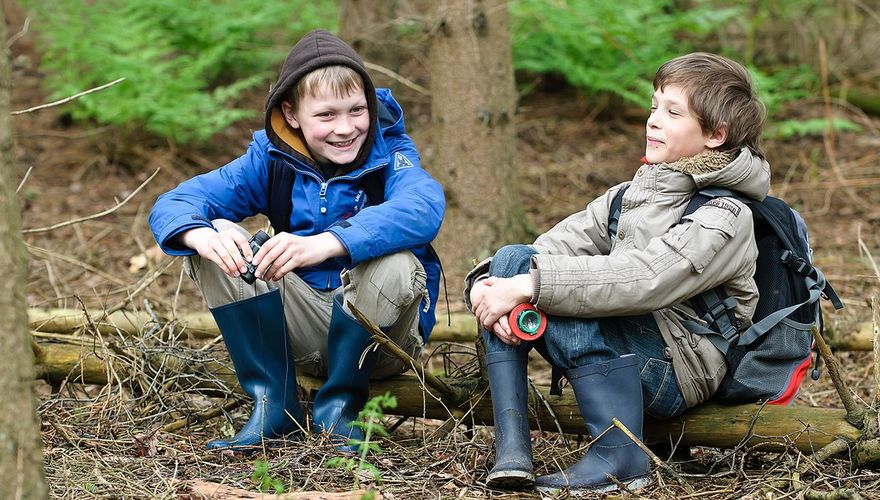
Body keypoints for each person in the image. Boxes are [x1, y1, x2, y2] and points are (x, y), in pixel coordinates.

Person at [465, 52, 769, 494]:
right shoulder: (632, 195)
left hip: (677, 370)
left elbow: (643, 279)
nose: (653, 120)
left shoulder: (725, 215)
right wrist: (488, 282)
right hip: (633, 345)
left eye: (673, 112)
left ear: (715, 135)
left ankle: (621, 457)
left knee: (564, 291)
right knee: (514, 256)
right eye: (653, 106)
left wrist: (530, 286)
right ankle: (512, 451)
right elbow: (547, 248)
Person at [149, 30, 445, 452]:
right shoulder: (270, 158)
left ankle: (340, 412)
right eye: (326, 115)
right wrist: (201, 232)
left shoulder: (390, 154)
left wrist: (327, 242)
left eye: (357, 110)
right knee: (212, 243)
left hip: (381, 343)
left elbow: (423, 206)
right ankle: (273, 406)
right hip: (298, 329)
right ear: (291, 114)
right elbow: (175, 202)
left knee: (395, 262)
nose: (346, 128)